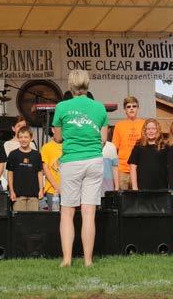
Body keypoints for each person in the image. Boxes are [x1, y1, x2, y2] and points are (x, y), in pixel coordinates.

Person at [52, 69, 108, 267]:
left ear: (70, 85)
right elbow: (103, 140)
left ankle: (67, 259)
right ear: (87, 84)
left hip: (71, 161)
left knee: (67, 213)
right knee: (89, 213)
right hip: (94, 161)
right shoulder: (99, 107)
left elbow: (58, 138)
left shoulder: (62, 106)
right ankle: (88, 261)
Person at [129, 119, 173, 192]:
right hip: (142, 188)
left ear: (158, 130)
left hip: (161, 188)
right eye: (148, 129)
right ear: (145, 131)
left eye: (153, 129)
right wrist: (135, 187)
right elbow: (133, 167)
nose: (151, 131)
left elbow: (171, 168)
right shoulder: (138, 146)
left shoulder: (165, 147)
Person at [111, 96, 145, 190]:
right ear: (125, 110)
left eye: (134, 106)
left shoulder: (144, 124)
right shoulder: (119, 125)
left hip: (139, 168)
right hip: (122, 169)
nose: (131, 109)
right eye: (128, 107)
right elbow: (114, 148)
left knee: (139, 197)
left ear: (138, 108)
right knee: (123, 198)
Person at [7, 126, 44, 212]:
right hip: (18, 195)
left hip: (34, 195)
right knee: (19, 218)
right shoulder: (13, 154)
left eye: (26, 137)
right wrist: (11, 191)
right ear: (18, 138)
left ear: (31, 138)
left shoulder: (37, 155)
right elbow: (10, 173)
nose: (23, 139)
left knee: (33, 218)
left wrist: (41, 190)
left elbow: (39, 173)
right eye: (21, 137)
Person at [41, 128, 63, 211]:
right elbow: (45, 169)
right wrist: (57, 187)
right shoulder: (46, 147)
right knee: (54, 216)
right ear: (53, 130)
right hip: (52, 190)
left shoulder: (69, 146)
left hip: (69, 189)